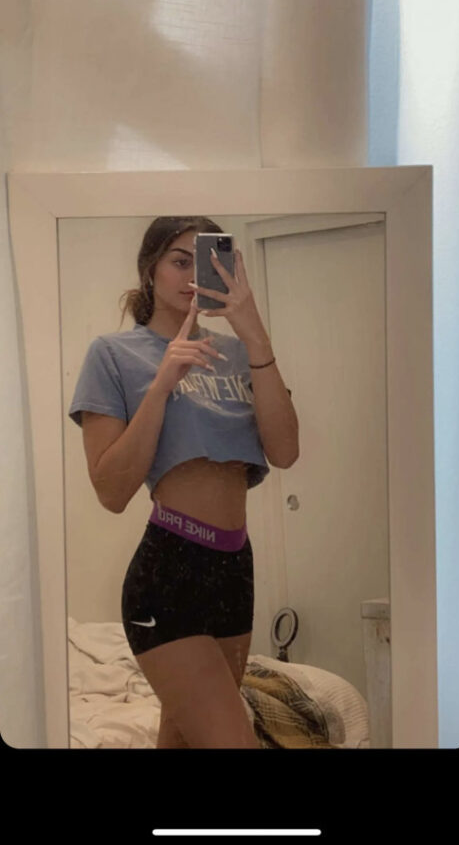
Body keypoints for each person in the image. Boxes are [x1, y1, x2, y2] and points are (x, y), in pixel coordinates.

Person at [68, 216, 299, 748]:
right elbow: (110, 491)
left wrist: (253, 331)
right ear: (149, 270)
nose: (193, 276)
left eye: (208, 263)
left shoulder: (240, 353)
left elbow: (285, 451)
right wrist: (161, 384)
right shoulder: (113, 354)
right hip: (169, 571)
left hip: (234, 569)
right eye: (179, 261)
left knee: (184, 741)